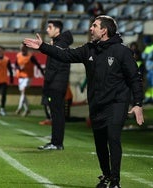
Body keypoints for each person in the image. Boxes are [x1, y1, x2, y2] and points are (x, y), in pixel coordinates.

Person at [24, 15, 144, 188]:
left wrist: (138, 103)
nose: (90, 28)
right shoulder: (89, 50)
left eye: (94, 25)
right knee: (100, 143)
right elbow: (65, 55)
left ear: (104, 30)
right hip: (96, 104)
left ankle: (115, 182)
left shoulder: (121, 51)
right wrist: (42, 47)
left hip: (117, 103)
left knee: (113, 138)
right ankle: (107, 175)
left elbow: (135, 78)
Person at [37, 19, 73, 150]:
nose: (47, 30)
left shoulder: (60, 44)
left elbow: (55, 66)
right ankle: (56, 141)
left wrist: (47, 83)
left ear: (57, 30)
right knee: (57, 114)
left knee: (57, 114)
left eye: (50, 27)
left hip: (56, 84)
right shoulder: (59, 43)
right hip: (58, 83)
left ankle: (57, 143)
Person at [15, 43, 44, 117]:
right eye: (21, 48)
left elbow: (37, 64)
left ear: (26, 48)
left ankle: (19, 108)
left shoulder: (31, 56)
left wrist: (42, 72)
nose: (22, 49)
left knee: (23, 91)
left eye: (23, 48)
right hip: (20, 76)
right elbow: (16, 65)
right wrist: (19, 68)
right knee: (23, 94)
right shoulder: (18, 55)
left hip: (28, 76)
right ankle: (27, 109)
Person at [0, 46, 14, 116]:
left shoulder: (6, 60)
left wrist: (11, 80)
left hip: (4, 81)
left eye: (1, 50)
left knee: (3, 95)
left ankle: (2, 108)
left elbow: (10, 70)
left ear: (3, 52)